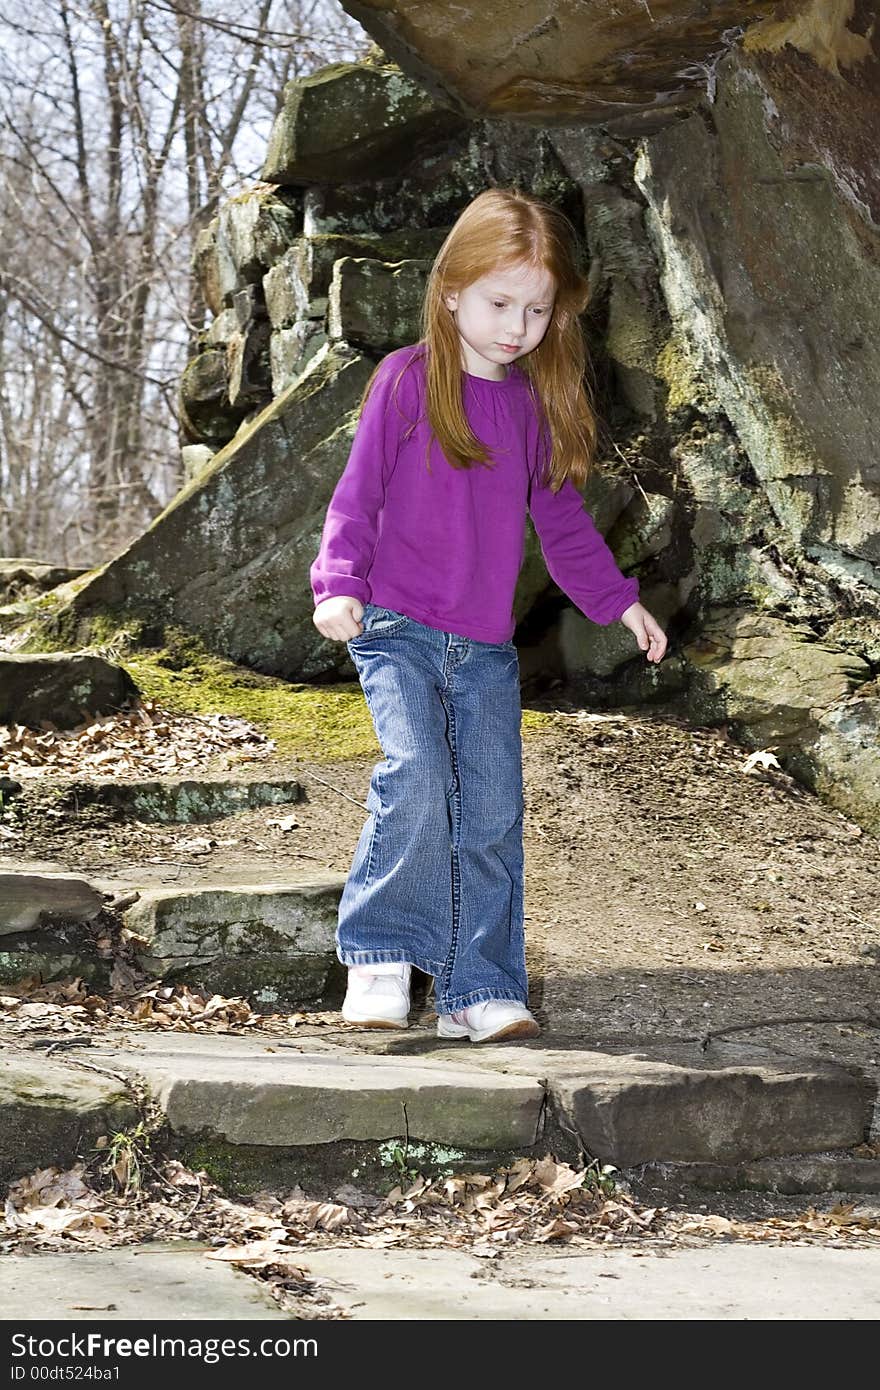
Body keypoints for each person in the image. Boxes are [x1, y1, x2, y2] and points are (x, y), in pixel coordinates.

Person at [310, 187, 667, 1044]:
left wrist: (620, 604)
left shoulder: (534, 409)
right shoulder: (405, 381)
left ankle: (479, 985)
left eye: (536, 310)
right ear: (452, 291)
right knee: (418, 775)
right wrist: (338, 584)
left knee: (493, 813)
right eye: (499, 302)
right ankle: (382, 953)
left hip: (482, 647)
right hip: (393, 627)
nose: (516, 327)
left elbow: (565, 526)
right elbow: (355, 499)